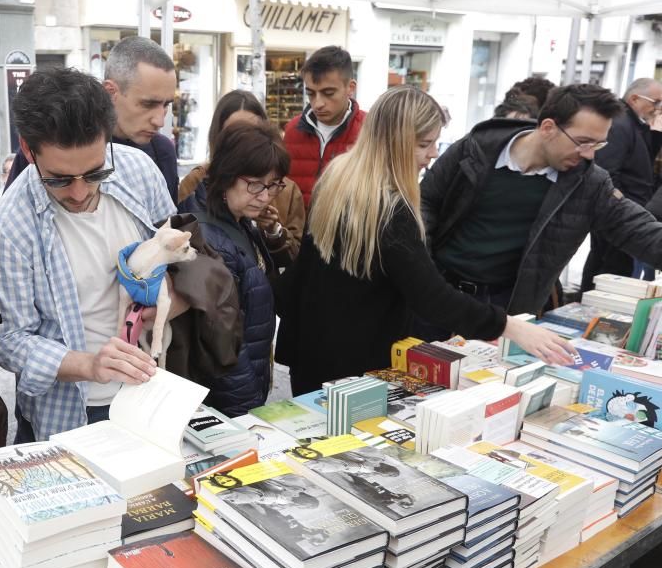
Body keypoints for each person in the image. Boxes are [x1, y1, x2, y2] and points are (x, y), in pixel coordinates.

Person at [275, 86, 574, 395]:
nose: (432, 154)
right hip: (358, 362)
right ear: (395, 144)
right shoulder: (390, 207)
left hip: (314, 348)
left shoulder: (339, 175)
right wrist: (508, 325)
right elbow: (431, 296)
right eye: (423, 144)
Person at [0, 67, 178, 442]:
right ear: (27, 149)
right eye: (57, 178)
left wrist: (173, 300)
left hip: (151, 391)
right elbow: (8, 341)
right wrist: (90, 365)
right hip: (69, 414)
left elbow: (175, 250)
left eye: (94, 173)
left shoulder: (138, 171)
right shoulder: (10, 226)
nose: (78, 191)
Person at [418, 83, 662, 331]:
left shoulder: (590, 183)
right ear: (548, 128)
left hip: (505, 308)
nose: (589, 155)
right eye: (583, 142)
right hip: (437, 293)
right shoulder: (474, 148)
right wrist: (421, 269)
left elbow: (638, 230)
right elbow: (424, 203)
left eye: (597, 145)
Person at [177, 122, 290, 415]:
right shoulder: (212, 239)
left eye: (274, 184)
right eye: (255, 184)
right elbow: (222, 345)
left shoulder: (236, 219)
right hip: (228, 400)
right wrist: (247, 410)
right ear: (226, 175)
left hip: (243, 380)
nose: (265, 196)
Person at [3, 37, 179, 203]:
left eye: (166, 105)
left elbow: (167, 224)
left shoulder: (163, 152)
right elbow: (13, 221)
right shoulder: (49, 144)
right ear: (110, 92)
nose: (160, 121)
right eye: (148, 104)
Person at [178, 90, 305, 260]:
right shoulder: (198, 181)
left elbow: (295, 257)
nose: (246, 140)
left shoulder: (284, 189)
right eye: (234, 132)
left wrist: (273, 232)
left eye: (253, 130)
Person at [581, 78, 662, 285]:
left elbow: (641, 164)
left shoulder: (635, 124)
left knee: (612, 269)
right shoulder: (620, 124)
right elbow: (608, 171)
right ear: (635, 98)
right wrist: (617, 208)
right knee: (609, 271)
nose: (658, 108)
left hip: (627, 211)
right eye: (655, 102)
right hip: (617, 213)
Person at [284, 46, 365, 208]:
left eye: (328, 93)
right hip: (296, 231)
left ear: (350, 88)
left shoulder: (370, 130)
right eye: (311, 94)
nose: (318, 104)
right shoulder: (293, 130)